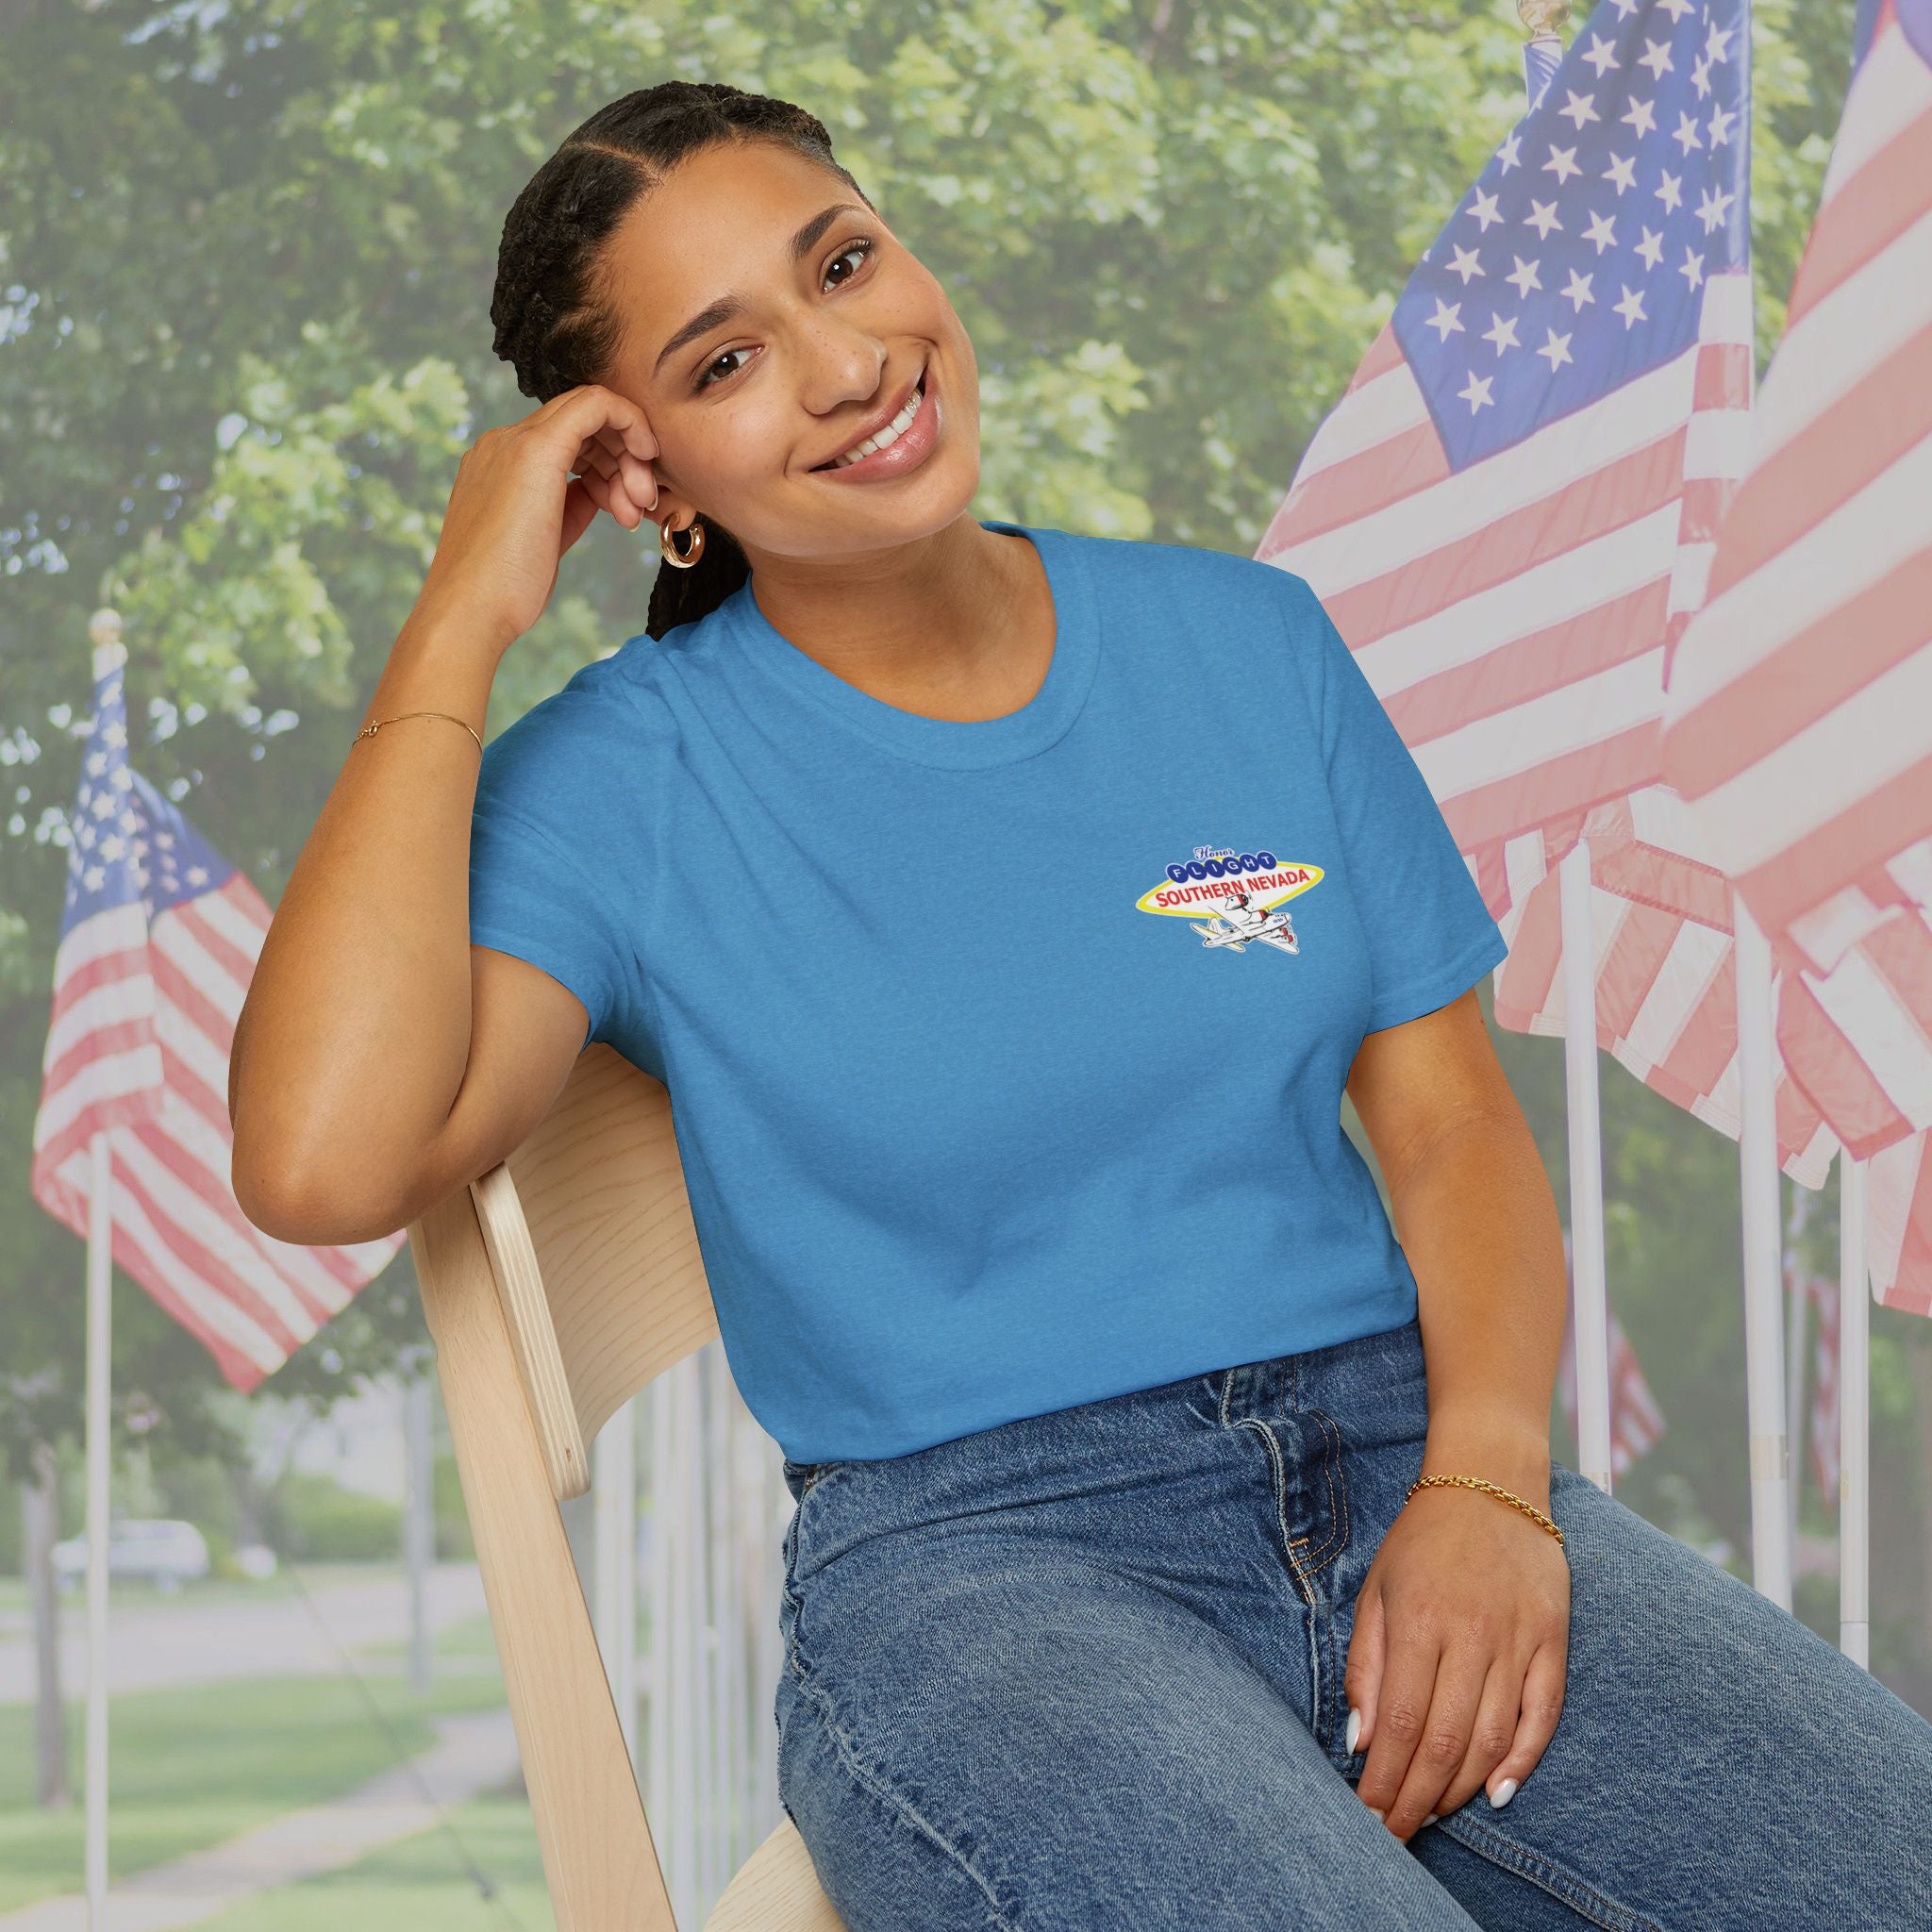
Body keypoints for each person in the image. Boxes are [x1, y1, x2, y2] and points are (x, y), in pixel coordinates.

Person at [230, 79, 1932, 1932]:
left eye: (846, 262)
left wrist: (1491, 1487)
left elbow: (1447, 1125)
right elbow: (322, 1157)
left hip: (1403, 1451)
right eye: (724, 362)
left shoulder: (1248, 643)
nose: (845, 362)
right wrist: (459, 614)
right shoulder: (624, 779)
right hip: (984, 1570)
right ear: (648, 477)